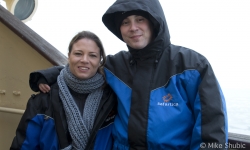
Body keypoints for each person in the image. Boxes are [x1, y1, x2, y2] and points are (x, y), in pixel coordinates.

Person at [28, 0, 228, 149]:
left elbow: (212, 129)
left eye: (140, 19)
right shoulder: (116, 65)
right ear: (119, 29)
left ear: (154, 22)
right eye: (125, 22)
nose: (133, 28)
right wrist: (48, 75)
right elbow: (84, 67)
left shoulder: (192, 66)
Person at [10, 31, 117, 150]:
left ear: (100, 60)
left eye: (92, 55)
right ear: (69, 56)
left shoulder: (112, 99)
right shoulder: (44, 99)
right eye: (78, 53)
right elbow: (24, 146)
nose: (84, 60)